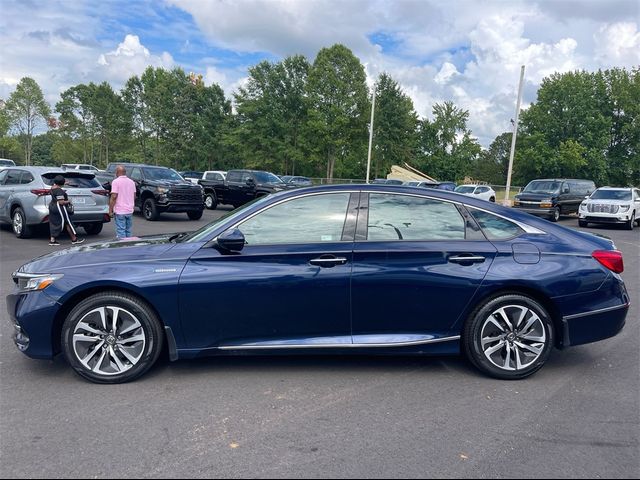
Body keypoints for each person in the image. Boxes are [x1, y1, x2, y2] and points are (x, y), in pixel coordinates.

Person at [48, 175, 84, 246]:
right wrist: (69, 201)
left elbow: (57, 185)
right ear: (61, 183)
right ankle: (74, 239)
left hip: (52, 206)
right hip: (60, 207)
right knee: (68, 222)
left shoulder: (53, 188)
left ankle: (52, 240)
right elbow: (61, 202)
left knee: (54, 223)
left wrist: (65, 183)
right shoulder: (59, 191)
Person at [109, 165, 136, 239]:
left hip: (120, 210)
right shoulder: (132, 182)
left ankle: (122, 246)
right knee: (128, 230)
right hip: (129, 210)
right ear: (125, 172)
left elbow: (114, 197)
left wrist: (110, 210)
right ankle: (128, 245)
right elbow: (134, 196)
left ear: (117, 172)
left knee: (121, 230)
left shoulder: (116, 182)